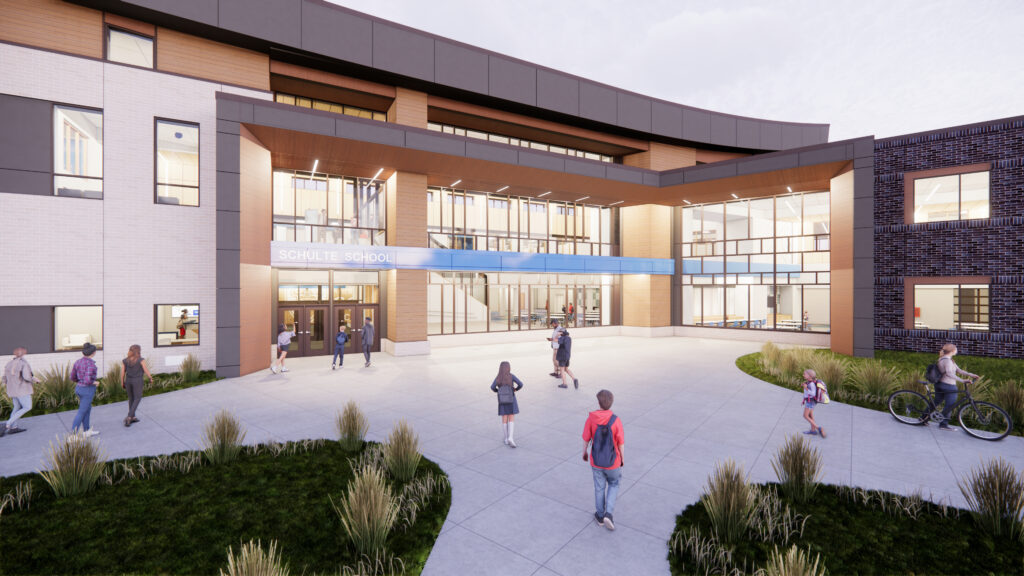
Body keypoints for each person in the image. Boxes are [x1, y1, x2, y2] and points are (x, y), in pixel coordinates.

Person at [582, 389, 624, 531]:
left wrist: (584, 453)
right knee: (614, 484)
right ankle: (609, 514)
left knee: (599, 488)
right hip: (613, 462)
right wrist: (622, 458)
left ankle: (600, 516)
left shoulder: (591, 418)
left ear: (598, 402)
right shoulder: (616, 420)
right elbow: (620, 443)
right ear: (611, 404)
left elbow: (586, 438)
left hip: (596, 461)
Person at [936, 343, 977, 431]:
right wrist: (962, 381)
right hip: (949, 385)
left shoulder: (946, 359)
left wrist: (971, 375)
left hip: (940, 384)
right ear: (953, 351)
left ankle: (923, 418)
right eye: (956, 349)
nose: (957, 350)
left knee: (936, 402)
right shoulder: (947, 360)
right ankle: (943, 424)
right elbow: (949, 373)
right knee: (950, 405)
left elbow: (958, 370)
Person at [1, 347, 40, 437]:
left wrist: (10, 385)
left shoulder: (9, 363)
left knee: (17, 407)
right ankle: (7, 424)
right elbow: (27, 377)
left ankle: (14, 428)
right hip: (22, 390)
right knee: (27, 407)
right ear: (23, 354)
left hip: (12, 390)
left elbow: (4, 378)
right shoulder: (23, 363)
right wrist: (35, 380)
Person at [490, 361, 524, 448]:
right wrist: (516, 389)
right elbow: (521, 384)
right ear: (509, 368)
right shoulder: (511, 376)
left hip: (502, 400)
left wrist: (498, 391)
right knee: (511, 417)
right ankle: (511, 437)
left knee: (504, 417)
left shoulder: (498, 377)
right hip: (511, 399)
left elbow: (492, 387)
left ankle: (506, 438)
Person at [71, 343, 100, 436]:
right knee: (82, 412)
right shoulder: (91, 364)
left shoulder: (77, 362)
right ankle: (72, 436)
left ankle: (87, 431)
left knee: (87, 409)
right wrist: (95, 382)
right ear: (94, 353)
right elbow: (88, 380)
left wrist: (80, 381)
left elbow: (72, 377)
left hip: (79, 388)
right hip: (87, 390)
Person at [121, 344, 153, 427]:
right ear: (138, 351)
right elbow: (145, 369)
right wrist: (150, 377)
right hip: (137, 381)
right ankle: (129, 416)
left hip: (128, 381)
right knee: (137, 398)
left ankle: (133, 417)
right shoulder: (141, 360)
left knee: (131, 398)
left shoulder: (125, 360)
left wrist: (122, 382)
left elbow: (122, 373)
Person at [801, 369, 825, 438]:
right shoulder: (809, 382)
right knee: (810, 415)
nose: (803, 375)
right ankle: (813, 430)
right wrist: (805, 386)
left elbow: (813, 393)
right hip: (810, 401)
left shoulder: (811, 384)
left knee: (805, 416)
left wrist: (806, 388)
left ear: (810, 376)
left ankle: (818, 428)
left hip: (810, 401)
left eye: (804, 374)